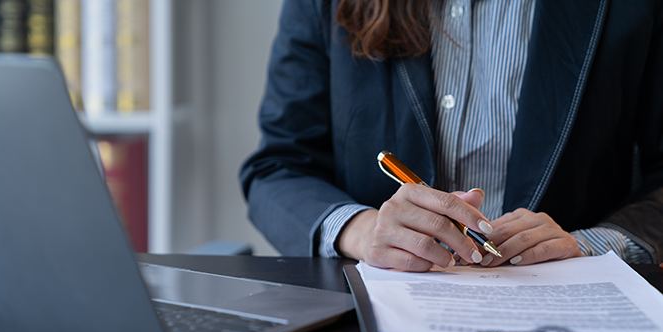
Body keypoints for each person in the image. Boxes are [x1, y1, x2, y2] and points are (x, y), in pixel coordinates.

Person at [240, 0, 663, 272]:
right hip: (373, 318)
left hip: (574, 322)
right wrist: (363, 230)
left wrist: (590, 246)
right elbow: (277, 168)